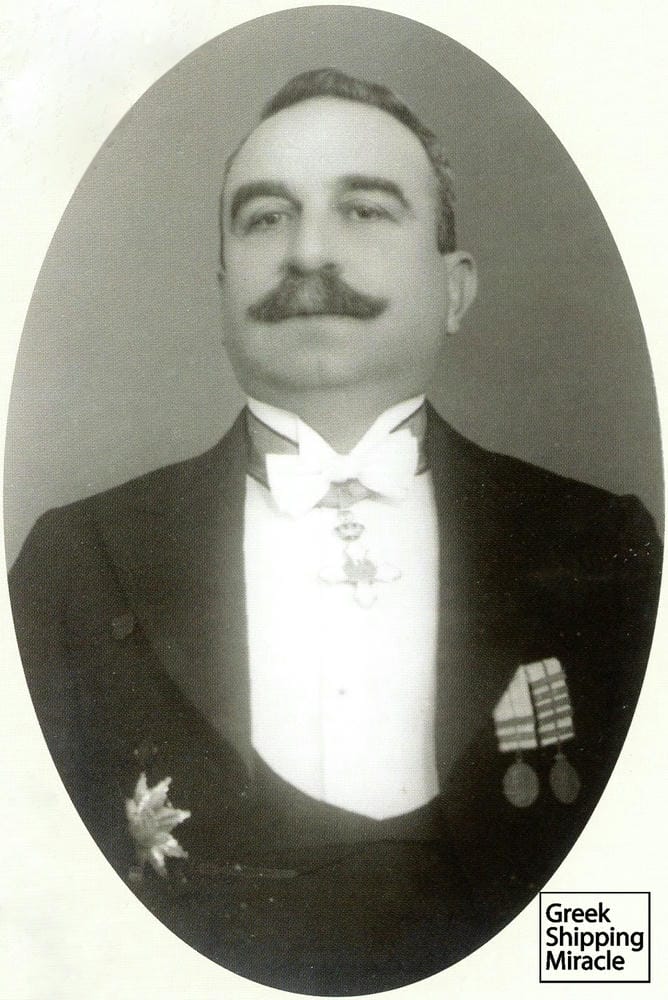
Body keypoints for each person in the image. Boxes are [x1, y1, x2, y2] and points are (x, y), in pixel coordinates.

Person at [8, 68, 661, 995]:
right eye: (266, 218)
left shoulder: (601, 550)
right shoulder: (75, 566)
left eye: (363, 210)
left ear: (455, 290)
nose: (308, 251)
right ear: (221, 291)